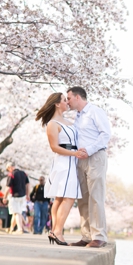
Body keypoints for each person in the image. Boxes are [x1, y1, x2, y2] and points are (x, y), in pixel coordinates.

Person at [66, 86, 110, 248]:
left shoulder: (95, 111)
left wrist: (89, 150)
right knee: (83, 197)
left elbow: (105, 134)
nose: (67, 101)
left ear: (77, 97)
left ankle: (99, 235)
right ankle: (86, 236)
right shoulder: (77, 117)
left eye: (69, 98)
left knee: (95, 196)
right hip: (80, 159)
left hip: (95, 157)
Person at [35, 92, 82, 245]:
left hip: (71, 161)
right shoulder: (52, 124)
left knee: (61, 197)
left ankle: (55, 231)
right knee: (68, 196)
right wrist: (74, 153)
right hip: (64, 162)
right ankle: (57, 231)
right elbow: (54, 147)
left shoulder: (68, 121)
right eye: (64, 100)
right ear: (57, 103)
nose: (67, 102)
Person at [5, 164, 30, 234]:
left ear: (10, 168)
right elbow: (28, 184)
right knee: (15, 213)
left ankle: (20, 229)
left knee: (17, 213)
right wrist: (28, 194)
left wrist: (4, 197)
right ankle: (11, 228)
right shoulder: (23, 173)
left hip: (14, 196)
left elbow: (8, 187)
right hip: (23, 196)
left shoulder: (11, 174)